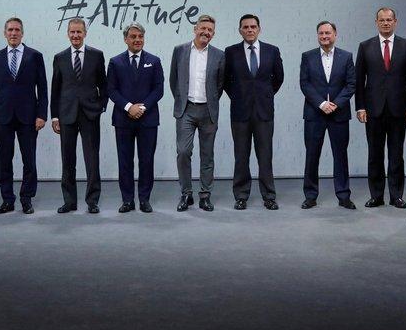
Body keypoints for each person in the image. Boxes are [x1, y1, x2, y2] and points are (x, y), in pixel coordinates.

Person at [355, 7, 406, 209]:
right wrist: (360, 107)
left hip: (398, 109)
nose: (385, 23)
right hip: (373, 109)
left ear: (395, 22)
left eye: (389, 20)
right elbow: (358, 80)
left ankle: (396, 195)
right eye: (382, 20)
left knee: (396, 153)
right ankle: (376, 195)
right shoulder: (365, 47)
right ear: (376, 22)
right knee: (374, 154)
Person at [0, 17, 48, 214]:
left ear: (22, 33)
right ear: (5, 33)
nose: (13, 33)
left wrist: (42, 115)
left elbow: (43, 88)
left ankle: (26, 198)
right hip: (2, 116)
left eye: (17, 30)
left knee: (29, 159)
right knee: (4, 159)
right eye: (10, 30)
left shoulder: (34, 56)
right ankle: (7, 200)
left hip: (28, 117)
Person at [222, 14, 285, 210]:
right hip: (240, 112)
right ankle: (241, 195)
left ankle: (269, 196)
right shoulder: (230, 52)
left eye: (253, 26)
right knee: (241, 155)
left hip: (264, 112)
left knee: (265, 155)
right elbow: (225, 81)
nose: (250, 30)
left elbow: (278, 79)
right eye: (246, 27)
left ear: (259, 29)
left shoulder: (271, 51)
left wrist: (264, 96)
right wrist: (240, 96)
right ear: (240, 30)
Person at [169, 15, 225, 212]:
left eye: (210, 30)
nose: (206, 32)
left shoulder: (219, 55)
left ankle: (205, 195)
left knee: (207, 155)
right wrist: (182, 101)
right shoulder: (180, 51)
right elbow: (173, 80)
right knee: (183, 152)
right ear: (195, 29)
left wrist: (210, 100)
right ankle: (186, 194)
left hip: (208, 111)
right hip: (186, 109)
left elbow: (220, 84)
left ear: (213, 34)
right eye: (203, 28)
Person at [51, 18, 107, 214]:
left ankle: (92, 201)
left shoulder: (97, 55)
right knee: (68, 160)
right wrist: (54, 117)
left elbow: (104, 85)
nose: (75, 35)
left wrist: (100, 107)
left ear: (85, 33)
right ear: (68, 33)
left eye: (79, 32)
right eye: (72, 32)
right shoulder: (59, 57)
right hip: (66, 115)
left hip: (90, 115)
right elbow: (55, 90)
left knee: (92, 160)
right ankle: (69, 201)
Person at [106, 23, 164, 214]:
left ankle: (145, 199)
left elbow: (158, 90)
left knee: (146, 160)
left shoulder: (154, 61)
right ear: (125, 39)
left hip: (148, 119)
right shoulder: (115, 62)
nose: (137, 39)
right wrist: (129, 107)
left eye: (140, 36)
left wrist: (142, 107)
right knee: (125, 161)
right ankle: (128, 200)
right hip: (123, 119)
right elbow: (111, 90)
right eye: (133, 36)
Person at [299, 21, 356, 210]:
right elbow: (305, 84)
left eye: (328, 33)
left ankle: (343, 195)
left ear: (335, 35)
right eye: (321, 33)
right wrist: (322, 103)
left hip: (339, 115)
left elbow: (351, 85)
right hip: (315, 114)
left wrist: (336, 104)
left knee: (340, 156)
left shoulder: (346, 57)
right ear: (317, 35)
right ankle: (310, 195)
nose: (324, 36)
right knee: (312, 155)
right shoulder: (307, 57)